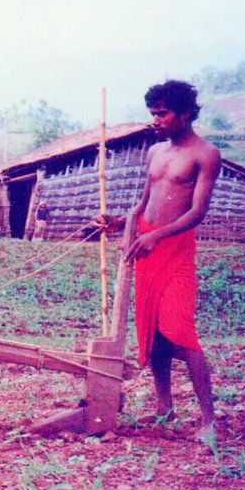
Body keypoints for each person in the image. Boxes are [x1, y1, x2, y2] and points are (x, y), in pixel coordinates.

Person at [93, 79, 220, 440]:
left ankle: (209, 421)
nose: (156, 119)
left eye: (162, 113)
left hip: (174, 247)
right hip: (146, 245)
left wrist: (156, 236)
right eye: (153, 113)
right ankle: (164, 406)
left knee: (179, 329)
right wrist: (119, 223)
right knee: (154, 334)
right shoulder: (155, 152)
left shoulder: (205, 154)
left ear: (185, 114)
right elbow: (144, 203)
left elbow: (197, 212)